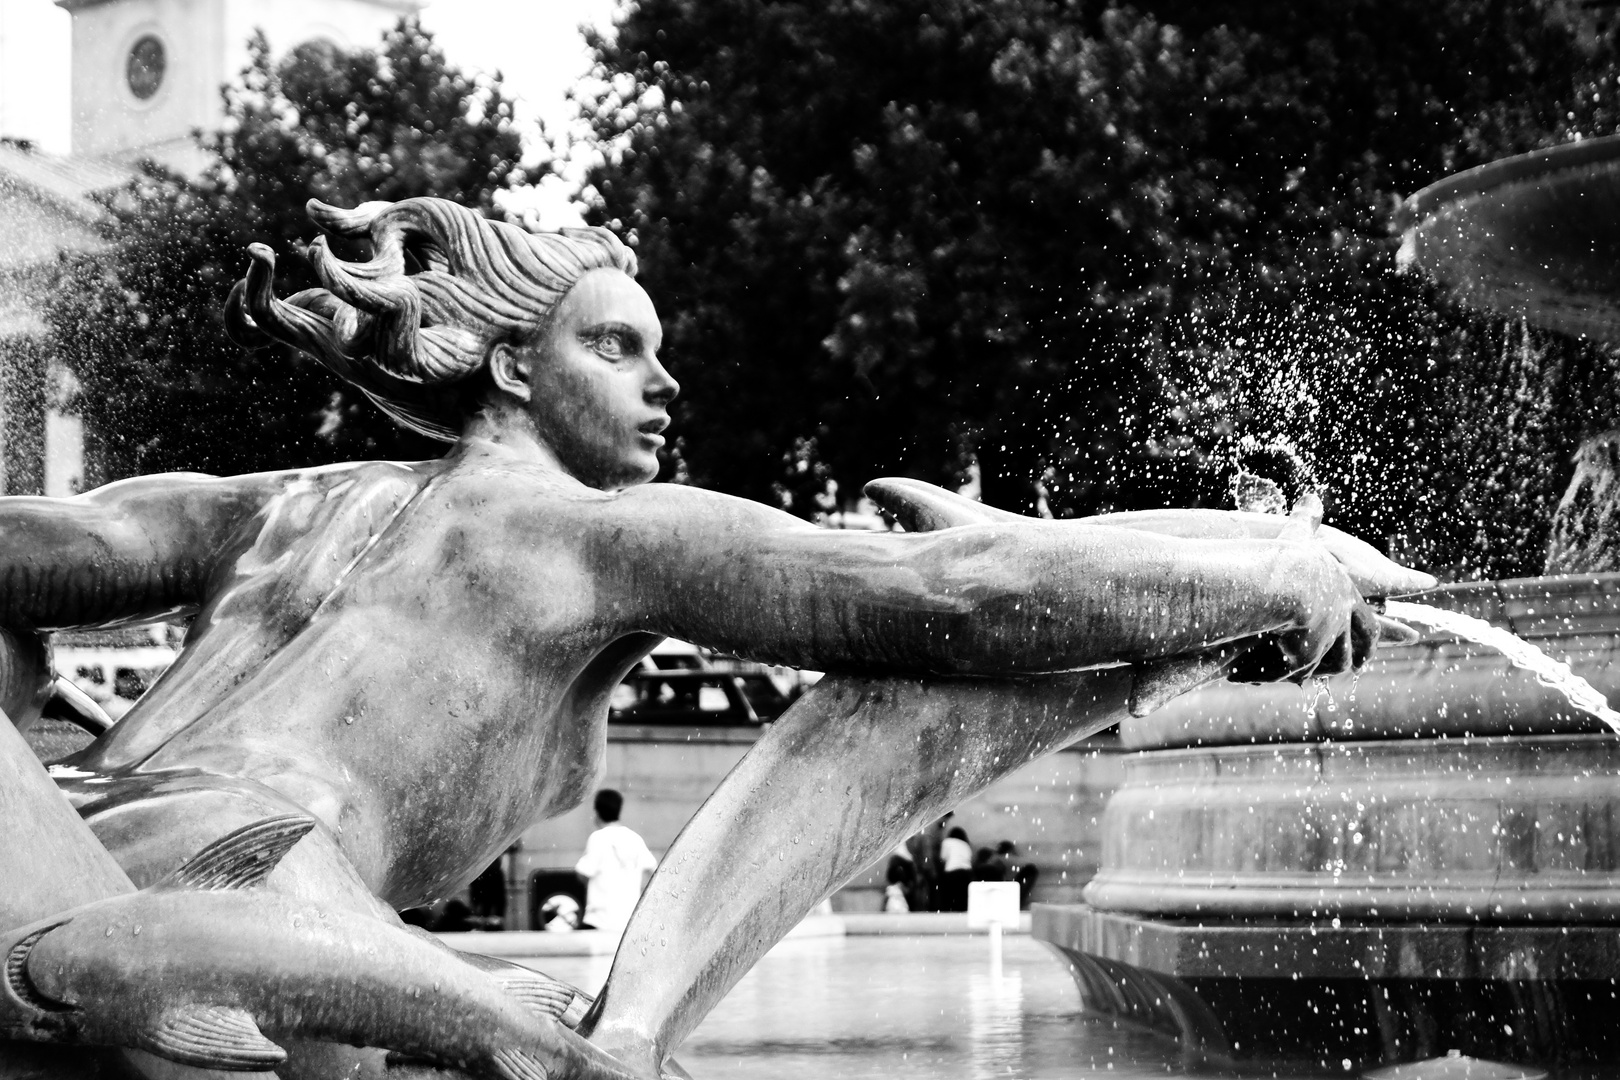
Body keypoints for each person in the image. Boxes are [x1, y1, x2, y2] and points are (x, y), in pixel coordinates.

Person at [0, 196, 1430, 1079]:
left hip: (50, 858)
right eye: (616, 346)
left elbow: (35, 544)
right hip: (257, 910)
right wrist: (1270, 575)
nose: (663, 382)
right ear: (509, 367)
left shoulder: (264, 506)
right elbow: (958, 605)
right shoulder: (603, 531)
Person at [575, 789, 658, 933]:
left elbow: (583, 873)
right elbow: (654, 871)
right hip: (629, 921)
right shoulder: (634, 839)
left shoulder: (598, 838)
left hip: (601, 920)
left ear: (596, 812)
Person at [939, 826, 974, 912]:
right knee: (962, 896)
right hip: (967, 872)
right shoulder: (966, 844)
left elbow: (943, 857)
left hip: (952, 870)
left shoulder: (947, 842)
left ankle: (950, 914)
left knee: (950, 895)